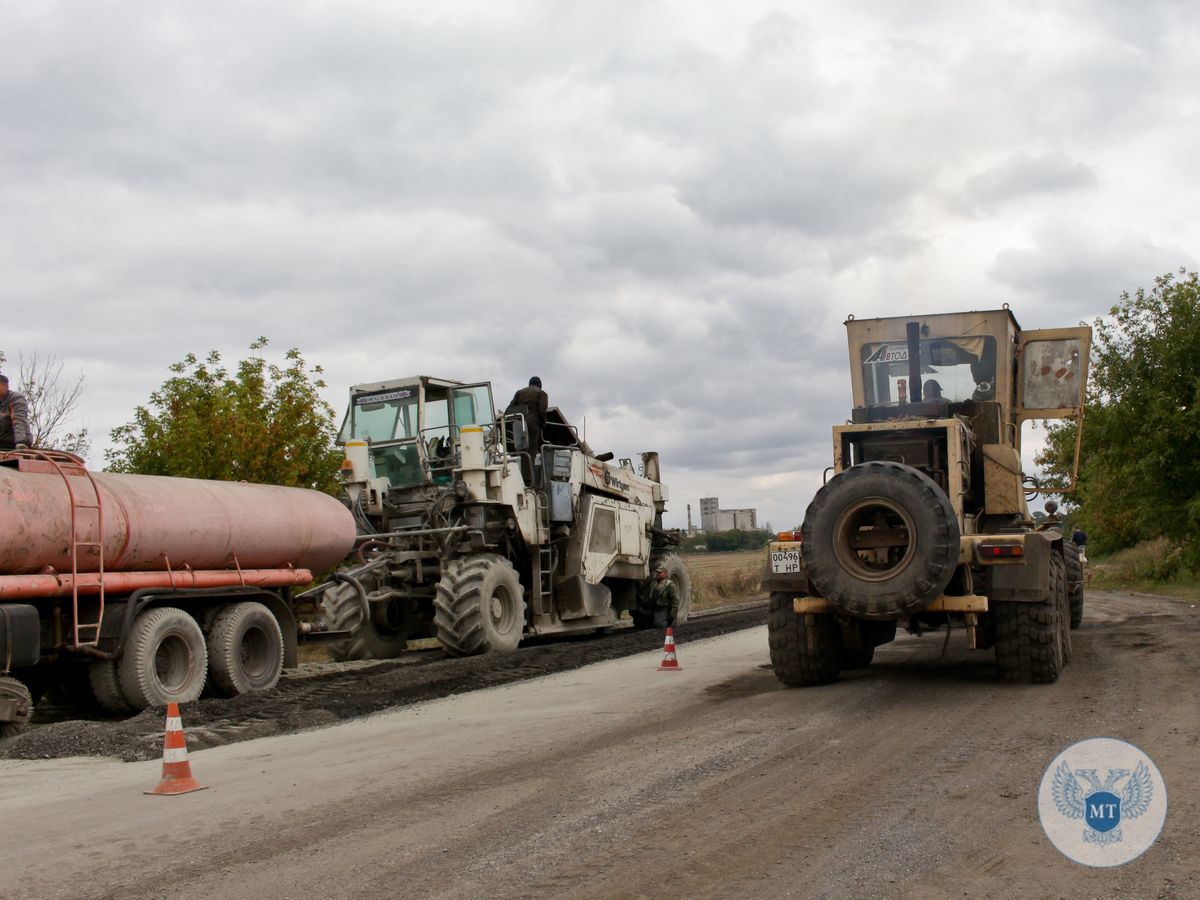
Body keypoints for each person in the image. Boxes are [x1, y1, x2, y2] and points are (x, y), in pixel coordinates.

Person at [507, 376, 549, 451]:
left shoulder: (519, 392)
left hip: (520, 423)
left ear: (529, 384)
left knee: (520, 449)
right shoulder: (542, 393)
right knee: (531, 450)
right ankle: (530, 462)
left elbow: (510, 408)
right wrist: (543, 423)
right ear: (540, 385)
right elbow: (542, 410)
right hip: (533, 423)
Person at [637, 563, 680, 629]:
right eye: (657, 572)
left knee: (658, 624)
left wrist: (672, 616)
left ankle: (667, 623)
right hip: (654, 608)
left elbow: (675, 601)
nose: (657, 574)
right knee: (641, 618)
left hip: (663, 609)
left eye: (660, 572)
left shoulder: (670, 585)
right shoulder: (654, 584)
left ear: (665, 574)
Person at [0, 374, 31, 451]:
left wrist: (20, 442)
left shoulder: (16, 399)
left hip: (14, 442)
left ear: (5, 386)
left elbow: (18, 420)